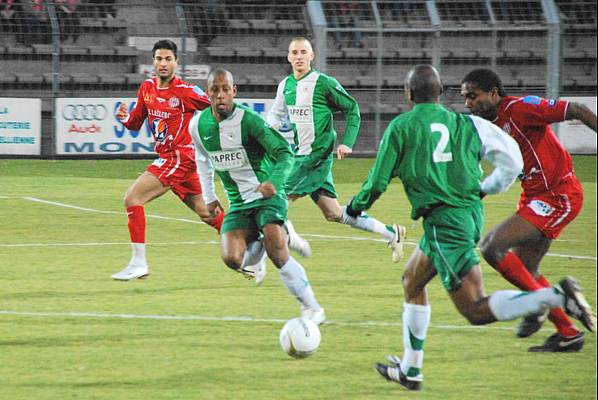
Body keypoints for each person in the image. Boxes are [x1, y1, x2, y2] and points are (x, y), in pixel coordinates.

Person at [345, 65, 595, 391]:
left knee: (475, 309)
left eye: (472, 96)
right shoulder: (470, 123)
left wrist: (355, 208)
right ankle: (410, 369)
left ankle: (554, 298)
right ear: (439, 94)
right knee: (412, 280)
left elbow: (377, 182)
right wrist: (487, 188)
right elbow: (513, 160)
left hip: (445, 222)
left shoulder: (401, 127)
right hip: (466, 215)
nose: (468, 102)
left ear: (408, 95)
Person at [461, 68, 598, 352]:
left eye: (473, 96)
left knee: (490, 247)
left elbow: (578, 109)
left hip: (559, 194)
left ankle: (547, 302)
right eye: (465, 98)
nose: (468, 103)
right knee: (525, 268)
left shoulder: (521, 108)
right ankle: (567, 333)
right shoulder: (484, 124)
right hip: (534, 196)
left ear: (493, 94)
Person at [189, 68, 326, 324]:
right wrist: (209, 196)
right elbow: (202, 160)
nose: (221, 95)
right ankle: (275, 236)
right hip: (239, 203)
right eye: (215, 90)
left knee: (277, 250)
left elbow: (285, 152)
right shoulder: (198, 125)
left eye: (226, 89)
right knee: (232, 259)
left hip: (267, 196)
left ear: (234, 91)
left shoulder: (249, 121)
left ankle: (313, 308)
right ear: (207, 93)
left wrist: (274, 181)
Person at [267, 37, 406, 263]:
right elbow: (275, 113)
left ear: (312, 56)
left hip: (314, 159)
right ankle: (391, 233)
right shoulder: (285, 86)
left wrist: (347, 142)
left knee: (275, 199)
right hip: (300, 156)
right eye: (295, 53)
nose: (299, 56)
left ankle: (289, 244)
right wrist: (268, 127)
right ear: (288, 57)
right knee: (333, 213)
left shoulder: (323, 83)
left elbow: (352, 109)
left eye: (304, 52)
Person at [111, 39, 225, 281]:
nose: (163, 63)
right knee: (207, 213)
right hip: (171, 159)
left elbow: (218, 107)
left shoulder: (185, 91)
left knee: (133, 198)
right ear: (153, 61)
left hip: (180, 157)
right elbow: (134, 123)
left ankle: (138, 263)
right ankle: (252, 246)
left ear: (176, 62)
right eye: (159, 59)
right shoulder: (147, 89)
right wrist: (124, 118)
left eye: (168, 59)